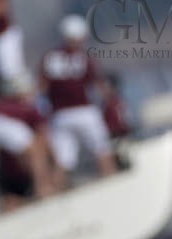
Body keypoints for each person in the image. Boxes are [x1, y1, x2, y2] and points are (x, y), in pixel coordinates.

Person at [40, 14, 117, 185]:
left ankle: (53, 195)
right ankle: (112, 183)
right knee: (103, 151)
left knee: (62, 162)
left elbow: (42, 87)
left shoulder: (49, 58)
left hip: (59, 116)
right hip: (85, 112)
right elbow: (100, 87)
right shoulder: (85, 58)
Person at [0, 76, 57, 215]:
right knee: (35, 151)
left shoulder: (3, 103)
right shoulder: (28, 106)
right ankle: (43, 189)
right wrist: (53, 164)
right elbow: (44, 138)